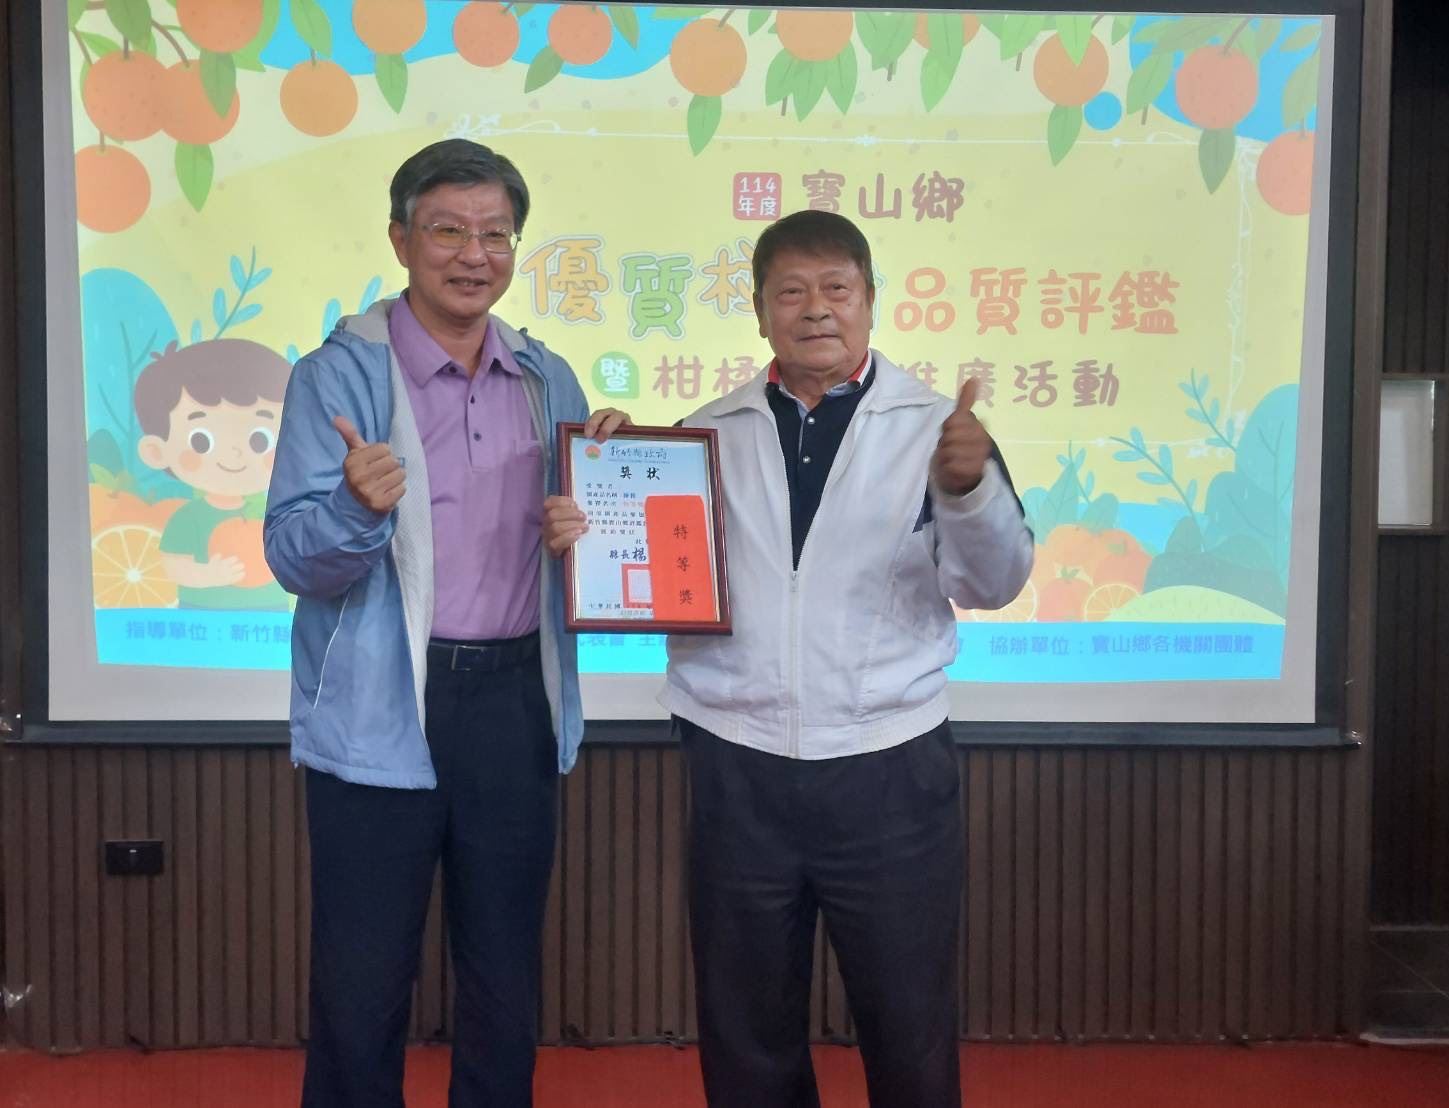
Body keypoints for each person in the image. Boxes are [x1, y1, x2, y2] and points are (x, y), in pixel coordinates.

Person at [546, 209, 1033, 1108]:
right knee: (746, 1030)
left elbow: (993, 582)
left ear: (871, 300)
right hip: (739, 764)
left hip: (888, 765)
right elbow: (651, 572)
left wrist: (968, 491)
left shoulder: (937, 431)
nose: (815, 309)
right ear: (760, 310)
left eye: (836, 288)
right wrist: (605, 484)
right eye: (791, 292)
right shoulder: (706, 432)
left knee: (908, 1021)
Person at [265, 139, 625, 1108]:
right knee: (362, 982)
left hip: (513, 704)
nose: (474, 254)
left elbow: (584, 551)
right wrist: (355, 508)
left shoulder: (547, 379)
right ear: (400, 239)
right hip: (382, 708)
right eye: (448, 231)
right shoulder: (336, 378)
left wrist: (615, 495)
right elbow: (294, 557)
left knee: (504, 979)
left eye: (496, 234)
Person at [135, 338, 293, 610]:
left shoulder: (278, 512)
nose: (234, 453)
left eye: (260, 439)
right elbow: (174, 566)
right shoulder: (189, 517)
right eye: (201, 441)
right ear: (156, 451)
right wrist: (208, 575)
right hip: (201, 619)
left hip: (270, 617)